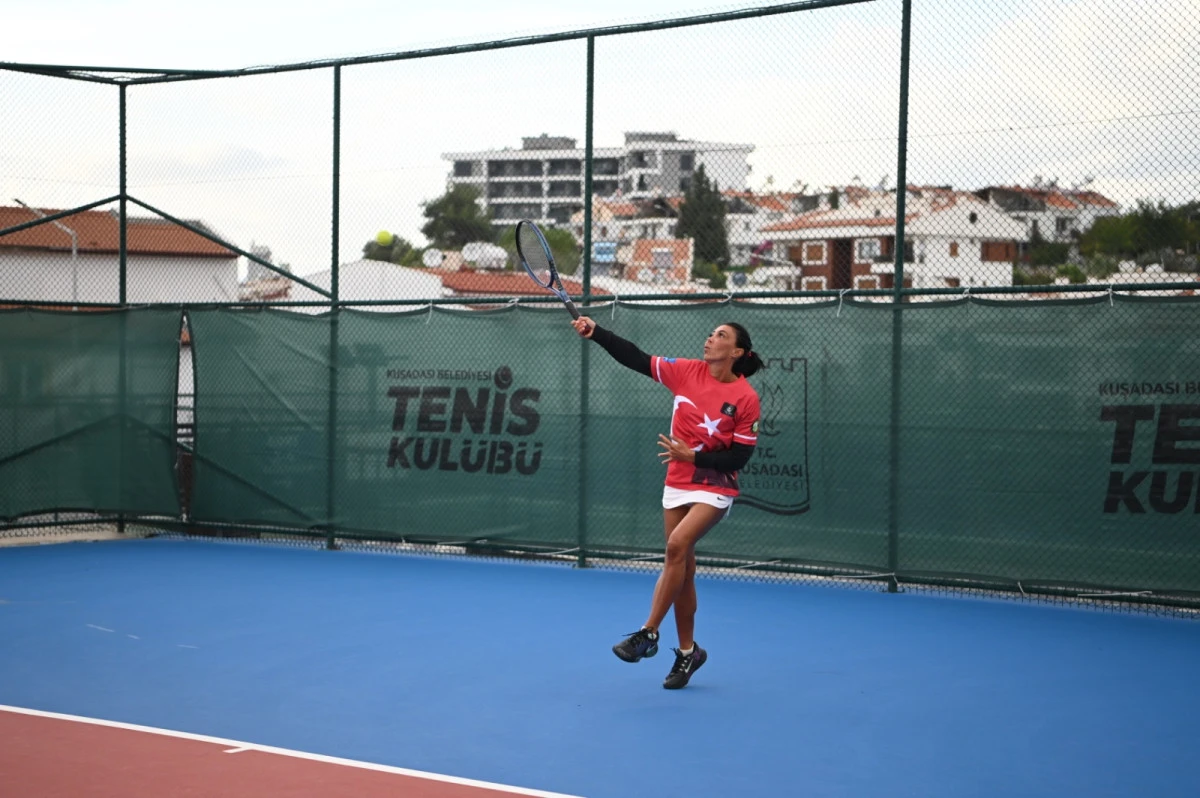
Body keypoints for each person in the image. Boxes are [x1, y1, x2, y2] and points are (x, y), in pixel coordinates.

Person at [571, 314, 764, 689]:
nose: (709, 339)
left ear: (737, 352)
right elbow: (637, 358)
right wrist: (597, 334)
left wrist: (695, 457)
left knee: (676, 546)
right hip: (676, 482)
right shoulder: (686, 372)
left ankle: (648, 633)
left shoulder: (745, 398)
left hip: (714, 485)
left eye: (720, 335)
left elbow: (739, 459)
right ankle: (689, 653)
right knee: (683, 568)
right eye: (711, 332)